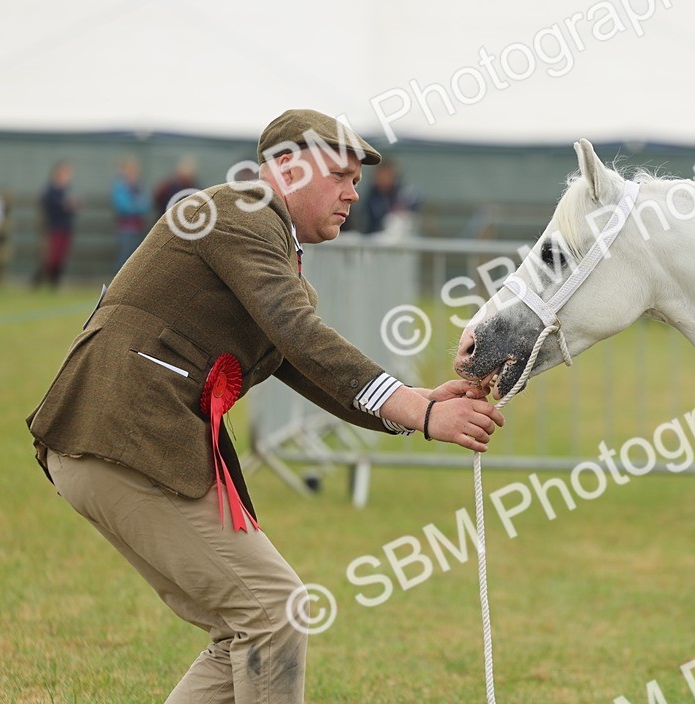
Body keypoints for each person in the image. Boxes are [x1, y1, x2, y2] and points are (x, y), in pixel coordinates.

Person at [26, 109, 503, 703]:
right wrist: (415, 408)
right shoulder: (241, 210)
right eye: (339, 175)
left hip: (116, 440)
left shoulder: (260, 237)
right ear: (283, 168)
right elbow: (298, 333)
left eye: (356, 179)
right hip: (122, 438)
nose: (353, 192)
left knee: (253, 623)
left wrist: (417, 405)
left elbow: (298, 359)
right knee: (274, 612)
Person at [32, 160, 79, 288]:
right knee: (51, 258)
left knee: (60, 258)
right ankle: (37, 282)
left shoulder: (66, 190)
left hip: (65, 227)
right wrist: (65, 205)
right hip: (54, 228)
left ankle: (54, 284)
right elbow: (48, 205)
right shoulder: (51, 190)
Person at [112, 156, 150, 272]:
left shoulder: (139, 186)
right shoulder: (120, 187)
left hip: (139, 227)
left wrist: (137, 205)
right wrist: (138, 205)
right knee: (125, 257)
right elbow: (125, 207)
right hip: (126, 228)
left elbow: (147, 203)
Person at [361, 159, 420, 235]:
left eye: (387, 175)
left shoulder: (402, 192)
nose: (383, 178)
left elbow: (416, 202)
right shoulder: (370, 195)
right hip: (374, 235)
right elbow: (373, 217)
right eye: (381, 175)